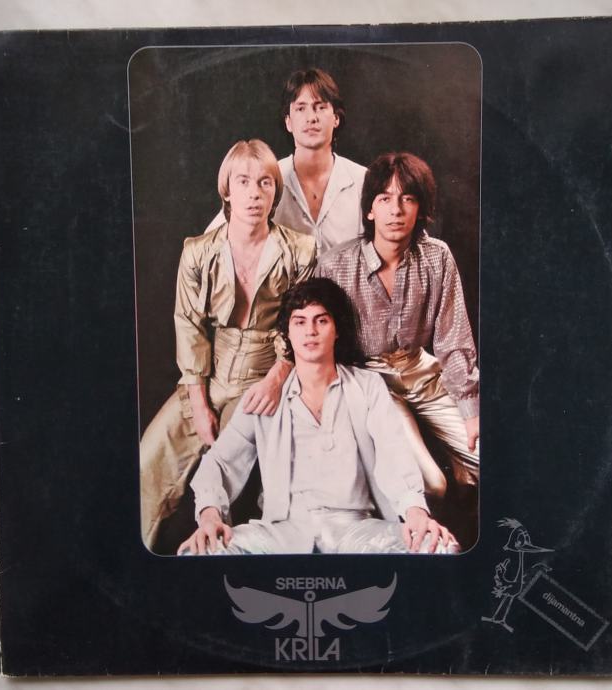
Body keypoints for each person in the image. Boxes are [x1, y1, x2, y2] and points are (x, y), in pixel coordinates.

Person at [177, 278, 459, 556]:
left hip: (356, 530)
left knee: (439, 549)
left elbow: (393, 453)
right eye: (299, 322)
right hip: (282, 533)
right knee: (198, 553)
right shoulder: (265, 396)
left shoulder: (367, 387)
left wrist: (416, 513)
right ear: (287, 333)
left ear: (337, 330)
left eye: (321, 321)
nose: (310, 331)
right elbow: (219, 461)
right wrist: (209, 516)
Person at [140, 139, 316, 553]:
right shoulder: (197, 251)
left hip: (266, 376)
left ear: (275, 192)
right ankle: (139, 561)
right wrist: (199, 402)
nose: (254, 193)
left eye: (265, 183)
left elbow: (301, 322)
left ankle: (219, 557)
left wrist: (277, 378)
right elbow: (188, 326)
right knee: (148, 464)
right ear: (227, 190)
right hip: (208, 376)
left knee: (224, 468)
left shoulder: (300, 249)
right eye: (243, 182)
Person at [316, 152, 479, 536]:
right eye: (385, 198)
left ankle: (464, 470)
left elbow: (453, 340)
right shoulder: (336, 265)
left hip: (422, 370)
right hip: (370, 381)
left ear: (421, 209)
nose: (396, 210)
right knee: (429, 486)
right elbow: (315, 338)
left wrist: (471, 409)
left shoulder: (436, 257)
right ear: (369, 209)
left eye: (408, 198)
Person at [207, 68, 366, 254]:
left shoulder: (363, 180)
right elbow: (210, 241)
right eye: (301, 108)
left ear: (336, 118)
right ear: (288, 122)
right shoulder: (266, 179)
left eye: (320, 107)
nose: (311, 118)